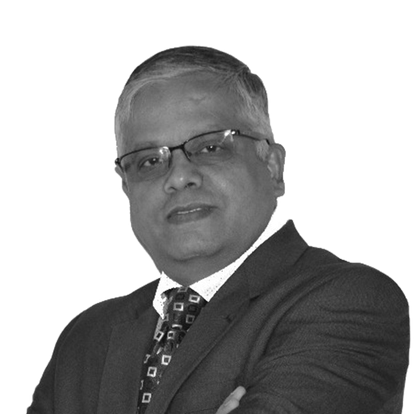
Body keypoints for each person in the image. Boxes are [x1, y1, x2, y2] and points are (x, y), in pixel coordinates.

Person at [28, 45, 410, 414]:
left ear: (273, 166)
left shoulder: (351, 302)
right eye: (148, 161)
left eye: (211, 147)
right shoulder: (86, 338)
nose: (179, 177)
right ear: (124, 185)